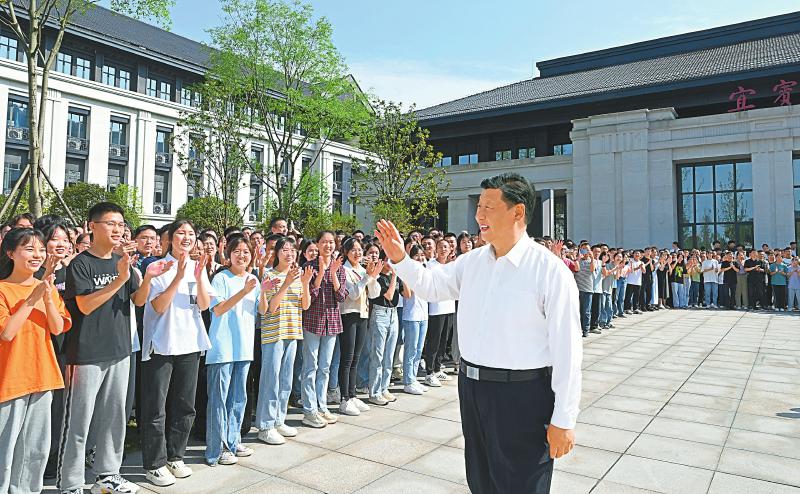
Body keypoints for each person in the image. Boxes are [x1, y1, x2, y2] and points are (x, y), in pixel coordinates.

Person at [376, 172, 581, 494]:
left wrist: (564, 419)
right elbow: (431, 286)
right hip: (473, 389)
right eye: (479, 206)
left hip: (523, 395)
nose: (478, 215)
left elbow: (568, 350)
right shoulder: (471, 262)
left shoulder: (549, 271)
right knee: (482, 481)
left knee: (521, 485)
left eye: (488, 207)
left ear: (517, 212)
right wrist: (400, 258)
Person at [57, 202, 170, 494]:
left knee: (114, 417)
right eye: (111, 223)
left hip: (120, 350)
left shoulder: (123, 262)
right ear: (92, 227)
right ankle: (71, 483)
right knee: (78, 422)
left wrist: (148, 277)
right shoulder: (81, 264)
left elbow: (138, 300)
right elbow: (85, 305)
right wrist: (119, 278)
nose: (118, 229)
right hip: (86, 354)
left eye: (121, 224)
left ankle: (107, 474)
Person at [140, 220, 213, 487]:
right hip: (161, 344)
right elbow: (158, 306)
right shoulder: (158, 267)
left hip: (190, 344)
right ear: (170, 238)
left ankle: (175, 456)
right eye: (181, 233)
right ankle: (154, 464)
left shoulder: (197, 267)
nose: (187, 237)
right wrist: (178, 277)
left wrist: (198, 275)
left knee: (185, 405)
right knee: (155, 408)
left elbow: (204, 305)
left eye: (191, 234)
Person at [0, 228, 71, 494]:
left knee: (35, 450)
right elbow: (7, 333)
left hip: (43, 375)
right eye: (29, 249)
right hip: (10, 379)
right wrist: (32, 298)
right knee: (4, 449)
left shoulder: (44, 287)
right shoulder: (3, 289)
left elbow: (57, 327)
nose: (37, 255)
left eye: (41, 249)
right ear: (10, 253)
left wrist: (47, 296)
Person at [204, 234, 265, 466]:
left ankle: (233, 440)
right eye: (237, 251)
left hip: (244, 347)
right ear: (228, 255)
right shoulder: (221, 278)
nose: (242, 255)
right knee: (218, 400)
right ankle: (215, 449)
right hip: (222, 347)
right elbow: (218, 309)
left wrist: (264, 289)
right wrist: (244, 291)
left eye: (246, 252)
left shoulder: (253, 279)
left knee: (239, 398)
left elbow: (263, 310)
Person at [256, 237, 311, 444]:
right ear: (277, 253)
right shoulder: (269, 275)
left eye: (292, 250)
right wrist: (286, 283)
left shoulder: (298, 275)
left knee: (286, 380)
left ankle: (278, 419)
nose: (289, 253)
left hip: (292, 331)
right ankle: (265, 425)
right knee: (271, 379)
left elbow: (305, 305)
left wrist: (304, 283)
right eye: (285, 250)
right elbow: (271, 308)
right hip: (274, 333)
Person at [300, 231, 346, 428]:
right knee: (310, 367)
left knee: (325, 367)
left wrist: (333, 274)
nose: (328, 245)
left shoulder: (339, 267)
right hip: (313, 321)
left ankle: (322, 406)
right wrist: (320, 274)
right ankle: (309, 410)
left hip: (332, 322)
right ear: (318, 244)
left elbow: (341, 296)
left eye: (331, 242)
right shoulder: (308, 266)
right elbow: (310, 296)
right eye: (324, 242)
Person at [338, 238, 380, 415]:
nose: (358, 253)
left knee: (356, 357)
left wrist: (372, 276)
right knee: (347, 358)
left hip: (363, 314)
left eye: (360, 250)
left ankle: (352, 395)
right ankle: (344, 398)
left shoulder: (363, 270)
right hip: (349, 314)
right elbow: (353, 294)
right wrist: (367, 277)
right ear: (346, 252)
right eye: (353, 250)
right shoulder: (344, 270)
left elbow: (375, 294)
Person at [401, 244, 429, 395]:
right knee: (411, 349)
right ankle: (408, 381)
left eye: (422, 255)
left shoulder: (425, 272)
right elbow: (408, 294)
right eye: (416, 255)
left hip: (424, 315)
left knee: (419, 349)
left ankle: (414, 378)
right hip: (411, 316)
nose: (420, 258)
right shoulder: (407, 274)